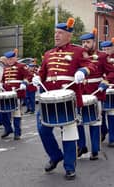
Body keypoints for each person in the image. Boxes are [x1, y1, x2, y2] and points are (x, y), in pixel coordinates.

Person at [32, 18, 97, 180]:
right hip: (48, 100)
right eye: (55, 33)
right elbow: (42, 73)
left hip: (68, 99)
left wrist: (83, 71)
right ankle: (55, 156)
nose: (56, 36)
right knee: (42, 129)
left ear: (69, 35)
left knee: (68, 133)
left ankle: (69, 167)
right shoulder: (48, 54)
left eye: (60, 33)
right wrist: (36, 78)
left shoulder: (77, 51)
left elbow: (91, 65)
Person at [77, 29, 114, 159]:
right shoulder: (79, 55)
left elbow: (111, 72)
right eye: (83, 42)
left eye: (88, 42)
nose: (85, 45)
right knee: (78, 121)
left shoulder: (102, 56)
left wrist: (105, 81)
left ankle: (95, 150)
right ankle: (81, 146)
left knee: (95, 121)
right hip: (81, 92)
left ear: (94, 42)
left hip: (96, 92)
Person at [0, 49, 32, 140]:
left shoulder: (21, 66)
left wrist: (24, 83)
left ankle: (17, 133)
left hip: (17, 93)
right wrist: (1, 83)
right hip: (6, 93)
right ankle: (8, 129)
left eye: (11, 59)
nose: (9, 60)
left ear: (15, 58)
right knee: (4, 112)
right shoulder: (6, 68)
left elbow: (29, 76)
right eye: (8, 59)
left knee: (16, 113)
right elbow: (4, 79)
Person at [101, 38, 114, 147]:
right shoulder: (100, 59)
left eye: (108, 49)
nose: (105, 51)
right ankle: (104, 130)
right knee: (100, 112)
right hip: (102, 89)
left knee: (112, 113)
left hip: (113, 89)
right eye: (104, 49)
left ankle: (112, 138)